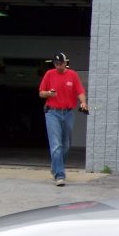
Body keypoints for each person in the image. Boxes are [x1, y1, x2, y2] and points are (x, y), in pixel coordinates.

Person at [38, 52, 87, 186]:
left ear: (66, 63)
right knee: (56, 145)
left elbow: (80, 92)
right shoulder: (49, 74)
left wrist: (83, 103)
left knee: (66, 145)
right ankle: (60, 175)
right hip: (52, 112)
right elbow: (41, 93)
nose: (58, 66)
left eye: (60, 63)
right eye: (56, 64)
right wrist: (48, 93)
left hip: (68, 113)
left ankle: (55, 167)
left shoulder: (72, 75)